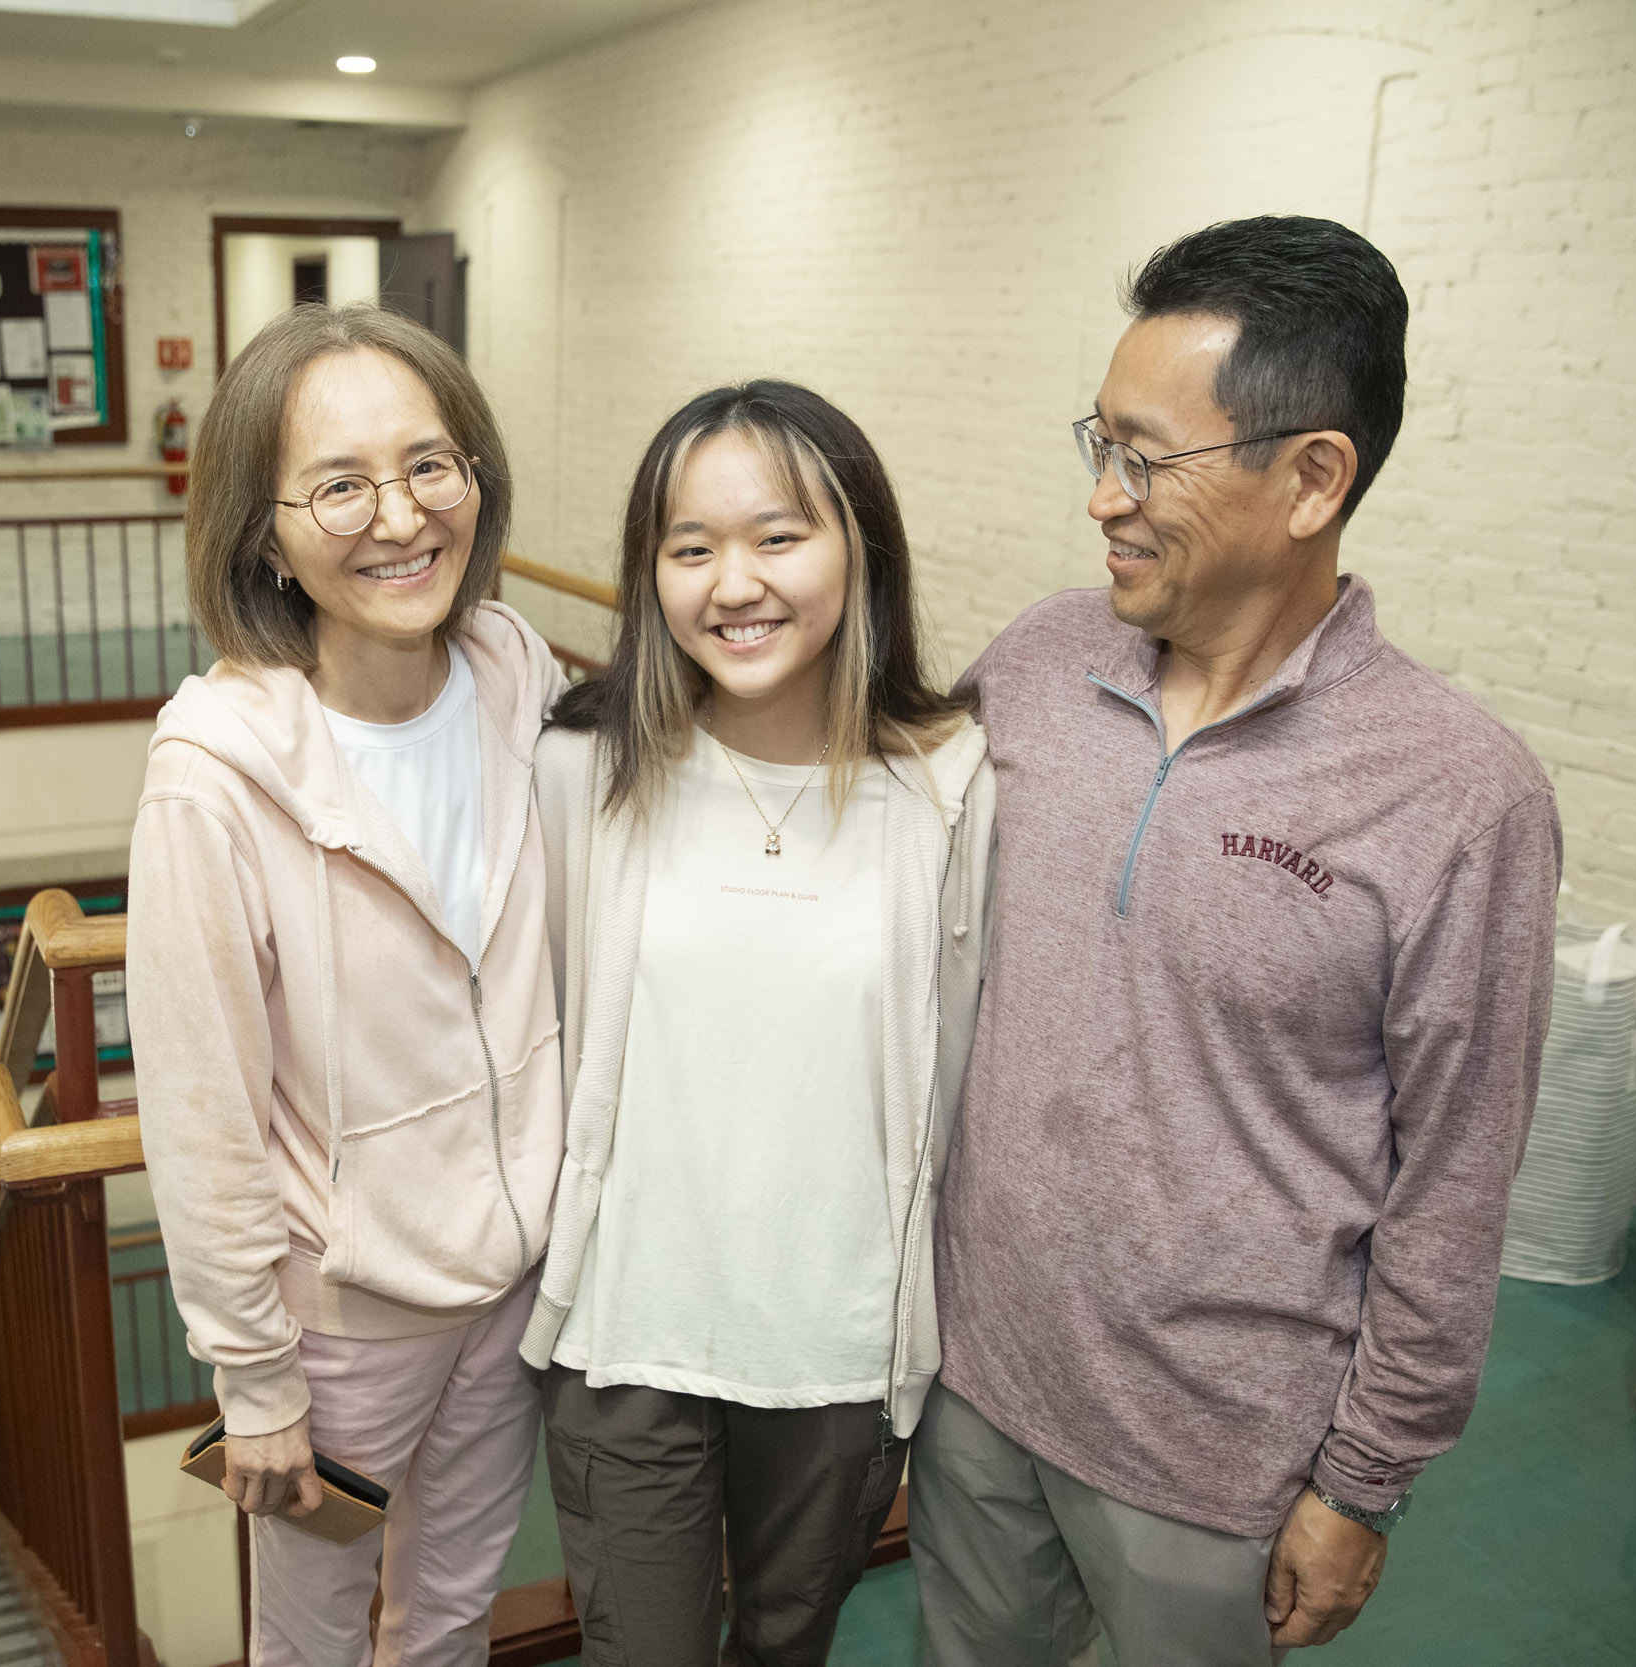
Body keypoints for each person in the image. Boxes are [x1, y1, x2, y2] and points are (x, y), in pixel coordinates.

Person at [914, 216, 1563, 1664]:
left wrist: (1363, 1477)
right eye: (1099, 442)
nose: (1101, 499)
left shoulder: (1458, 792)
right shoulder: (1036, 662)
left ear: (1313, 476)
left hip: (1217, 1460)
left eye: (1148, 459)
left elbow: (1457, 1175)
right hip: (975, 1373)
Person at [525, 381, 996, 1667]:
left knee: (787, 1647)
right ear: (651, 573)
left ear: (860, 547)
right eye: (690, 548)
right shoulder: (583, 771)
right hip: (626, 1328)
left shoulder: (948, 788)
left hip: (838, 1344)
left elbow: (960, 1064)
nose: (735, 582)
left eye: (779, 535)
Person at [125, 303, 568, 1667]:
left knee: (446, 1612)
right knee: (310, 1639)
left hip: (510, 1288)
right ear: (266, 534)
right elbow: (201, 1107)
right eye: (339, 483)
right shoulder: (211, 780)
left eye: (431, 463)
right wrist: (252, 1377)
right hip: (339, 1328)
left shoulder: (517, 669)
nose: (398, 515)